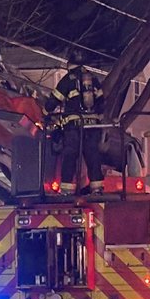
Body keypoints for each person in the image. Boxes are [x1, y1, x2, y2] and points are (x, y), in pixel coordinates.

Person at [42, 48, 105, 195]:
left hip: (74, 128)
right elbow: (101, 101)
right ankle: (97, 188)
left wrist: (44, 114)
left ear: (69, 64)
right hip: (93, 127)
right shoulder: (93, 79)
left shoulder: (67, 80)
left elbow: (53, 101)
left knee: (70, 156)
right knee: (93, 157)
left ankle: (66, 190)